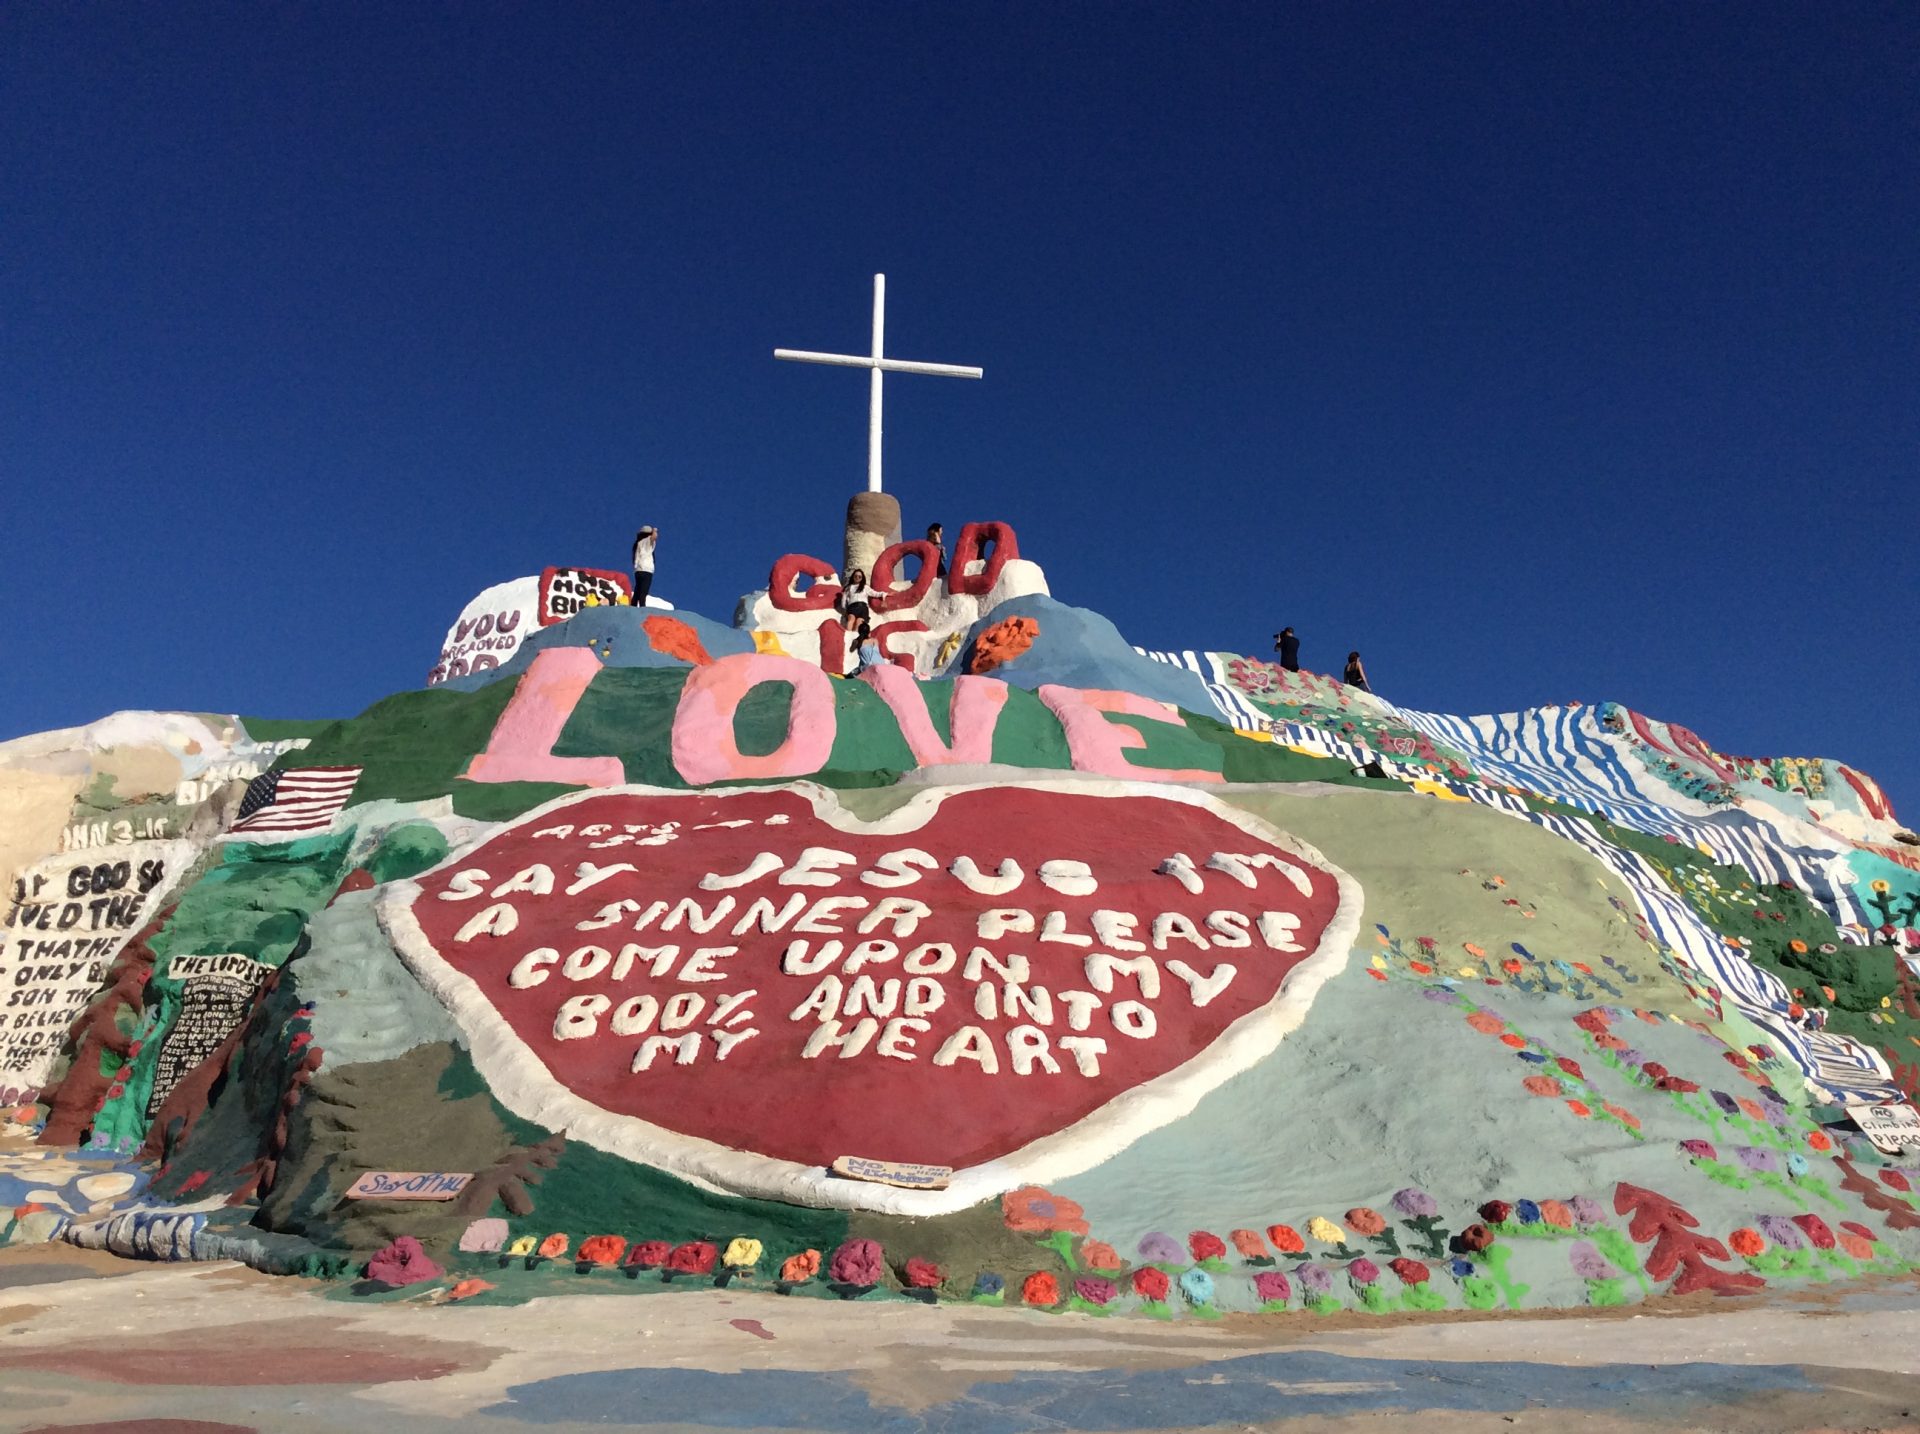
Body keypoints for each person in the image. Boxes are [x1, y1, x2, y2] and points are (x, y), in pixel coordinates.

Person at [631, 525, 659, 606]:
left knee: (637, 590)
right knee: (643, 591)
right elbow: (654, 537)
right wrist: (655, 530)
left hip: (638, 571)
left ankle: (633, 606)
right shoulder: (647, 541)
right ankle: (642, 607)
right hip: (646, 570)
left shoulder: (638, 544)